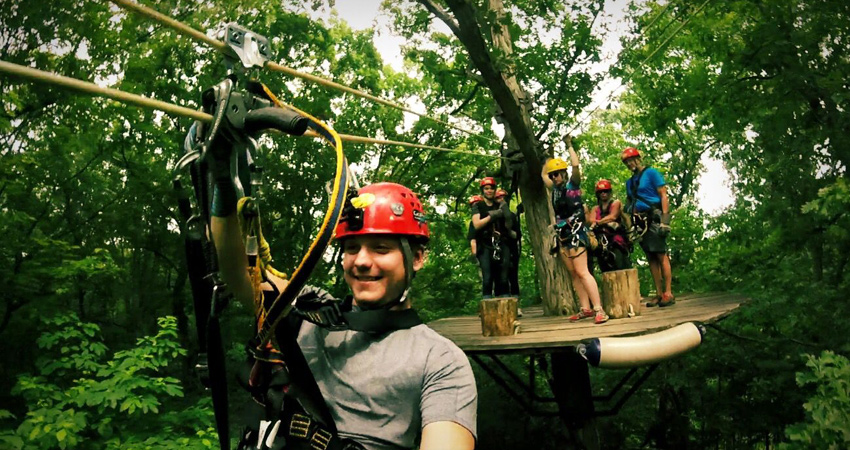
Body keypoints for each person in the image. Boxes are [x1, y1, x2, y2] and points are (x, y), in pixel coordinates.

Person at [206, 130, 478, 448]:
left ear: (416, 258)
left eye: (380, 248)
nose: (361, 261)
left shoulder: (440, 360)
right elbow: (240, 272)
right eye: (351, 248)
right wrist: (224, 184)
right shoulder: (312, 314)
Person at [542, 136, 609, 324]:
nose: (554, 177)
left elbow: (576, 166)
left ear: (563, 174)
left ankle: (599, 309)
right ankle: (585, 308)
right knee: (574, 273)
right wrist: (546, 156)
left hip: (577, 233)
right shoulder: (554, 190)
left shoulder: (573, 185)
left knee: (582, 272)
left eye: (557, 174)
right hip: (563, 235)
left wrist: (569, 145)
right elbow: (542, 175)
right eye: (552, 175)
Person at [621, 146, 674, 307]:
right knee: (650, 257)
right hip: (640, 222)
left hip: (654, 217)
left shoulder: (651, 173)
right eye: (627, 162)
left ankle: (668, 292)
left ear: (638, 159)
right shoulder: (630, 183)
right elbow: (629, 204)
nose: (630, 164)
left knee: (661, 254)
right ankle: (658, 293)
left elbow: (663, 194)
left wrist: (665, 220)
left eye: (632, 160)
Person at [471, 177, 510, 298]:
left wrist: (505, 209)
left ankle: (505, 304)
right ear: (483, 190)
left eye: (491, 188)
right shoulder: (478, 206)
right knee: (487, 277)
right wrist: (491, 217)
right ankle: (487, 303)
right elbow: (476, 224)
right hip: (485, 244)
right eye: (486, 189)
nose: (489, 191)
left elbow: (509, 223)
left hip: (500, 243)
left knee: (503, 277)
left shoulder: (499, 204)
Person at [588, 179, 632, 273]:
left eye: (605, 191)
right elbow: (590, 220)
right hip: (601, 242)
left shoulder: (616, 203)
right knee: (605, 269)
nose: (603, 194)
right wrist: (602, 222)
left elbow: (613, 216)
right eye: (601, 192)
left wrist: (598, 222)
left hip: (616, 240)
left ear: (609, 192)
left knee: (620, 266)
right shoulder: (595, 208)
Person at [495, 189, 521, 302]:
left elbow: (517, 234)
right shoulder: (493, 216)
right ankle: (500, 299)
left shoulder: (511, 215)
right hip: (497, 248)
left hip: (511, 247)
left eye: (503, 197)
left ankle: (515, 303)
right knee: (498, 275)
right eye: (498, 198)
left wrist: (510, 232)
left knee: (513, 274)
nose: (501, 200)